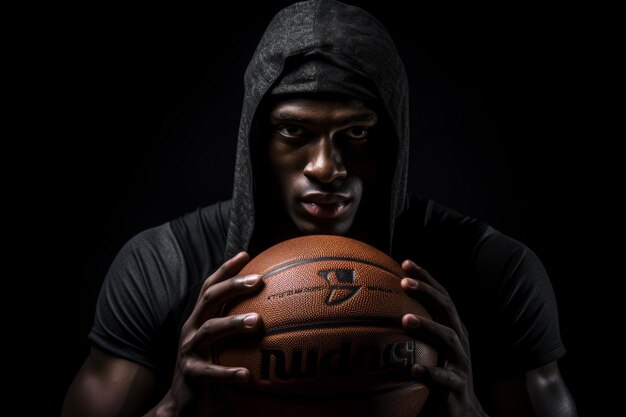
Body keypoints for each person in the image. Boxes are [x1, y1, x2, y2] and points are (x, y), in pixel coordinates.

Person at [62, 1, 577, 416]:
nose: (327, 166)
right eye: (293, 131)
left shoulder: (497, 274)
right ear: (256, 142)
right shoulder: (161, 267)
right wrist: (174, 407)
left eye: (357, 133)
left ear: (393, 141)